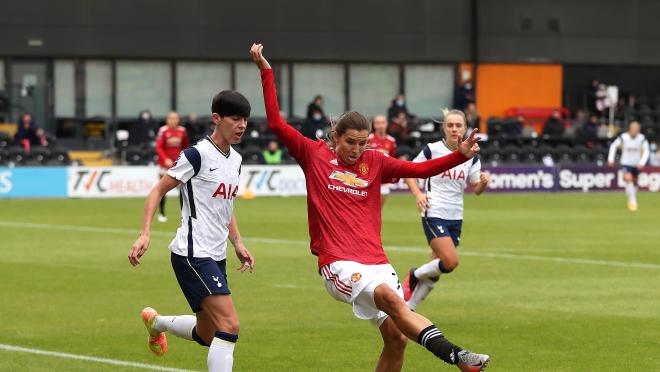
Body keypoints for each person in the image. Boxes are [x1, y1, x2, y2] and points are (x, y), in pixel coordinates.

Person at [251, 43, 489, 372]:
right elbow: (276, 123)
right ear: (336, 137)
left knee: (397, 339)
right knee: (394, 301)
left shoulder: (374, 161)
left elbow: (417, 171)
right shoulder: (314, 154)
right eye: (351, 142)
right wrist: (266, 71)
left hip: (376, 262)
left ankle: (454, 356)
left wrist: (459, 155)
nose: (357, 149)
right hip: (339, 265)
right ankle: (456, 356)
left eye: (363, 143)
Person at [128, 90, 255, 372]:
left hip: (215, 254)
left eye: (245, 119)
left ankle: (156, 322)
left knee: (209, 334)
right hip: (192, 253)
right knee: (230, 326)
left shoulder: (235, 159)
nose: (242, 125)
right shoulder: (196, 154)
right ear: (216, 118)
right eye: (235, 118)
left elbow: (226, 206)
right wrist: (145, 233)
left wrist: (238, 243)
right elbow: (157, 191)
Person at [402, 109, 490, 312]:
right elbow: (408, 172)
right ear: (444, 127)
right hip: (434, 210)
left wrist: (483, 183)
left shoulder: (472, 155)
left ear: (465, 128)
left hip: (456, 215)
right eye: (450, 125)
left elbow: (476, 189)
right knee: (450, 261)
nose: (454, 129)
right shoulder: (432, 149)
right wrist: (418, 194)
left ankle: (409, 308)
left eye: (458, 125)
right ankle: (414, 274)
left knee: (435, 268)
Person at [155, 111, 190, 222]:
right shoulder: (163, 131)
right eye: (171, 118)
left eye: (175, 118)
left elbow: (186, 146)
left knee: (183, 189)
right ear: (167, 120)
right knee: (162, 189)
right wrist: (165, 158)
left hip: (179, 165)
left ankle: (184, 214)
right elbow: (159, 147)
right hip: (164, 165)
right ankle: (161, 213)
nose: (173, 120)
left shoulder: (182, 131)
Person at [607, 121, 650, 211]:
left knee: (634, 183)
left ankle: (631, 199)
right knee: (628, 179)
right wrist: (611, 159)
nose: (634, 131)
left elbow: (646, 150)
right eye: (632, 129)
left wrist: (642, 162)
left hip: (637, 164)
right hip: (626, 163)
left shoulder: (642, 138)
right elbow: (613, 146)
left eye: (636, 129)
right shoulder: (623, 137)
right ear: (629, 129)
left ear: (638, 130)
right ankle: (633, 202)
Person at [368, 114, 397, 208]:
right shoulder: (368, 139)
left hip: (384, 180)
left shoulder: (391, 141)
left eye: (382, 123)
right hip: (370, 178)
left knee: (379, 207)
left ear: (386, 124)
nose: (380, 125)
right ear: (374, 125)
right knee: (368, 207)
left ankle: (375, 223)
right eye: (378, 123)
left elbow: (392, 160)